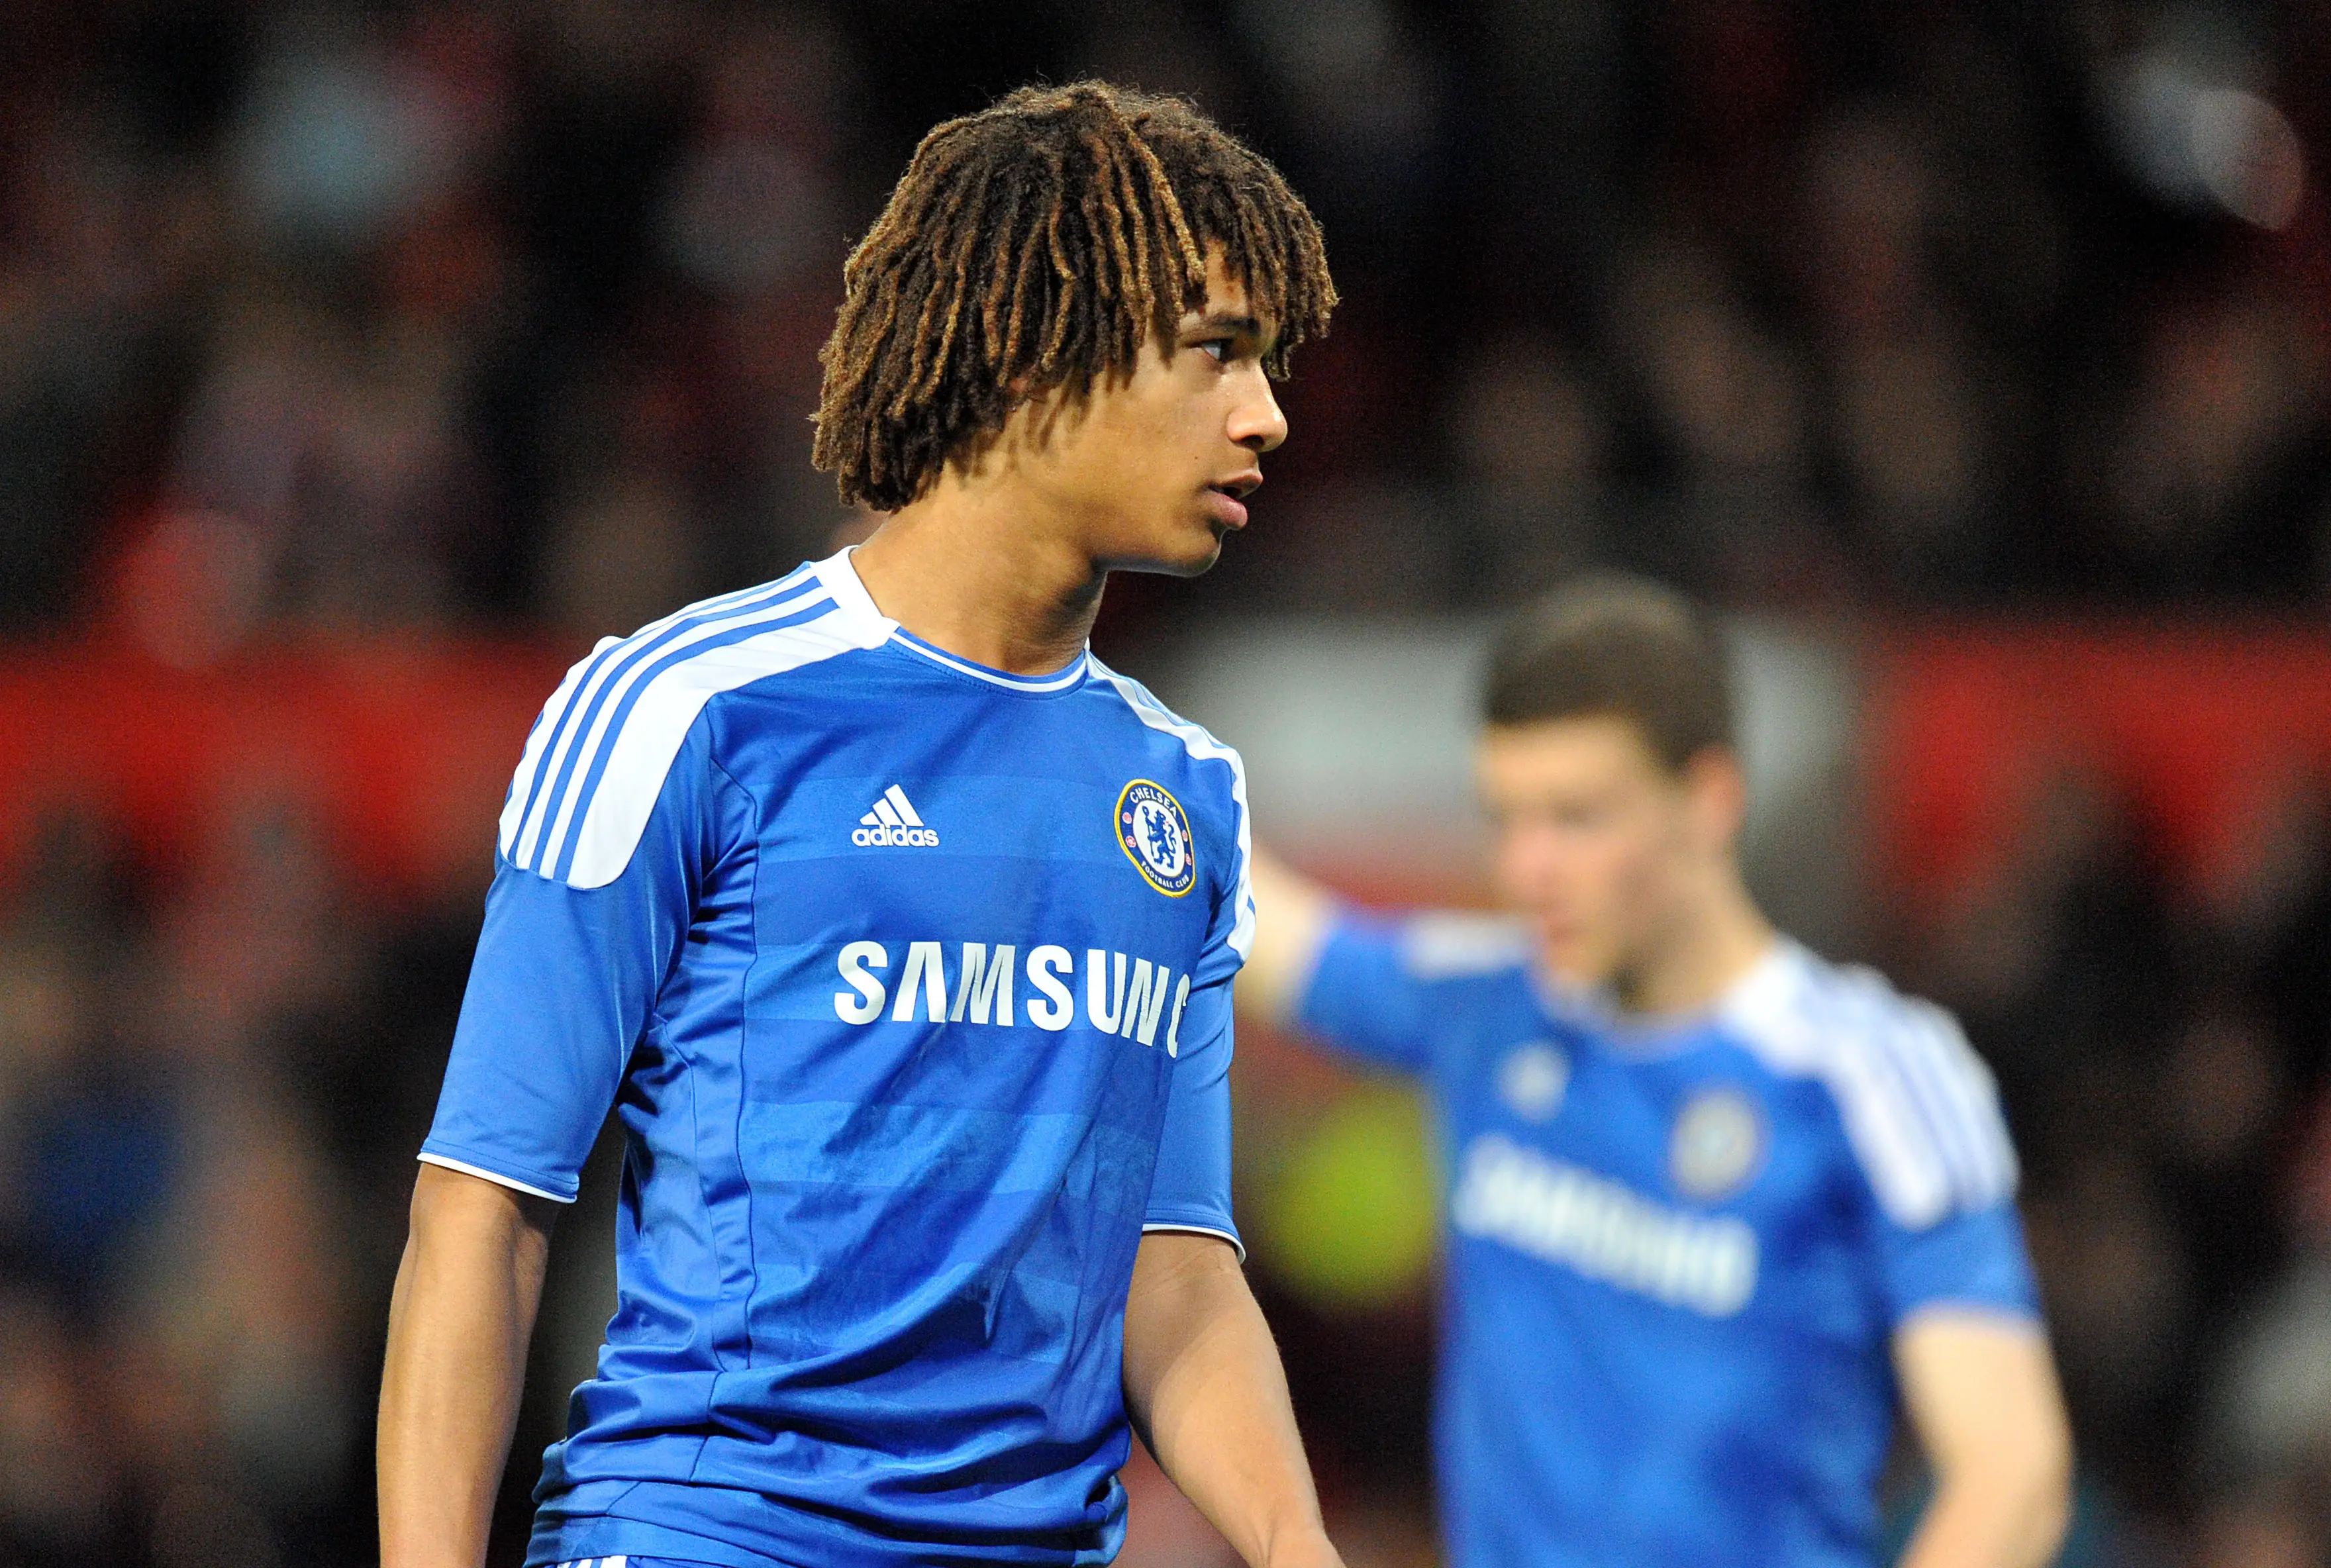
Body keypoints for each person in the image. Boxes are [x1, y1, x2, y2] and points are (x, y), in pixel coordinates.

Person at [377, 82, 1342, 1568]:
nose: (1264, 413)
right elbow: (483, 1210)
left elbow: (1173, 1269)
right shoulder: (685, 706)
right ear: (1035, 347)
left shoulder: (1184, 794)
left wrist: (1298, 1550)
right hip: (712, 1531)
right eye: (1216, 351)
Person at [1237, 577, 2074, 1568]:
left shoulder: (1870, 1071)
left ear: (1709, 800)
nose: (1527, 869)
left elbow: (2012, 1475)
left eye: (1576, 818)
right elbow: (1242, 908)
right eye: (1508, 819)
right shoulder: (1485, 1005)